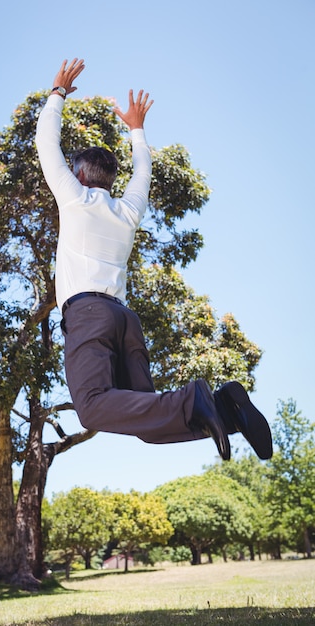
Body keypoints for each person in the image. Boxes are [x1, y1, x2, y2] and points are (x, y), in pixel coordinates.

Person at [36, 58, 272, 462]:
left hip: (89, 316)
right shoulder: (127, 210)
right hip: (125, 321)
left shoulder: (73, 198)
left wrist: (57, 92)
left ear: (77, 176)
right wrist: (136, 128)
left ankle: (195, 398)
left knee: (92, 406)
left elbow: (45, 142)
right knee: (151, 423)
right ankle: (227, 409)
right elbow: (143, 170)